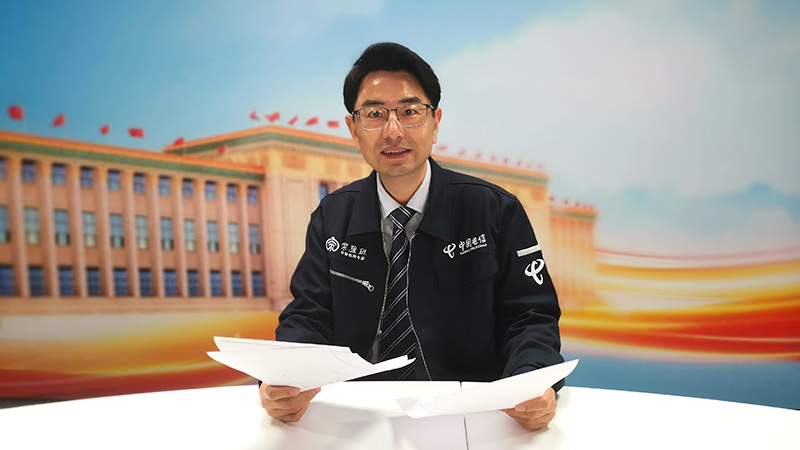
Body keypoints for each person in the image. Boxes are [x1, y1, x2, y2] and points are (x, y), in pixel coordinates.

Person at [260, 42, 564, 431]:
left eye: (409, 112)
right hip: (360, 416)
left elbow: (530, 315)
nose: (393, 131)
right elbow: (309, 314)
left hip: (472, 413)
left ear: (435, 122)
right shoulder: (332, 217)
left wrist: (531, 380)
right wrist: (285, 380)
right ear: (353, 129)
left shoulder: (494, 210)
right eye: (374, 114)